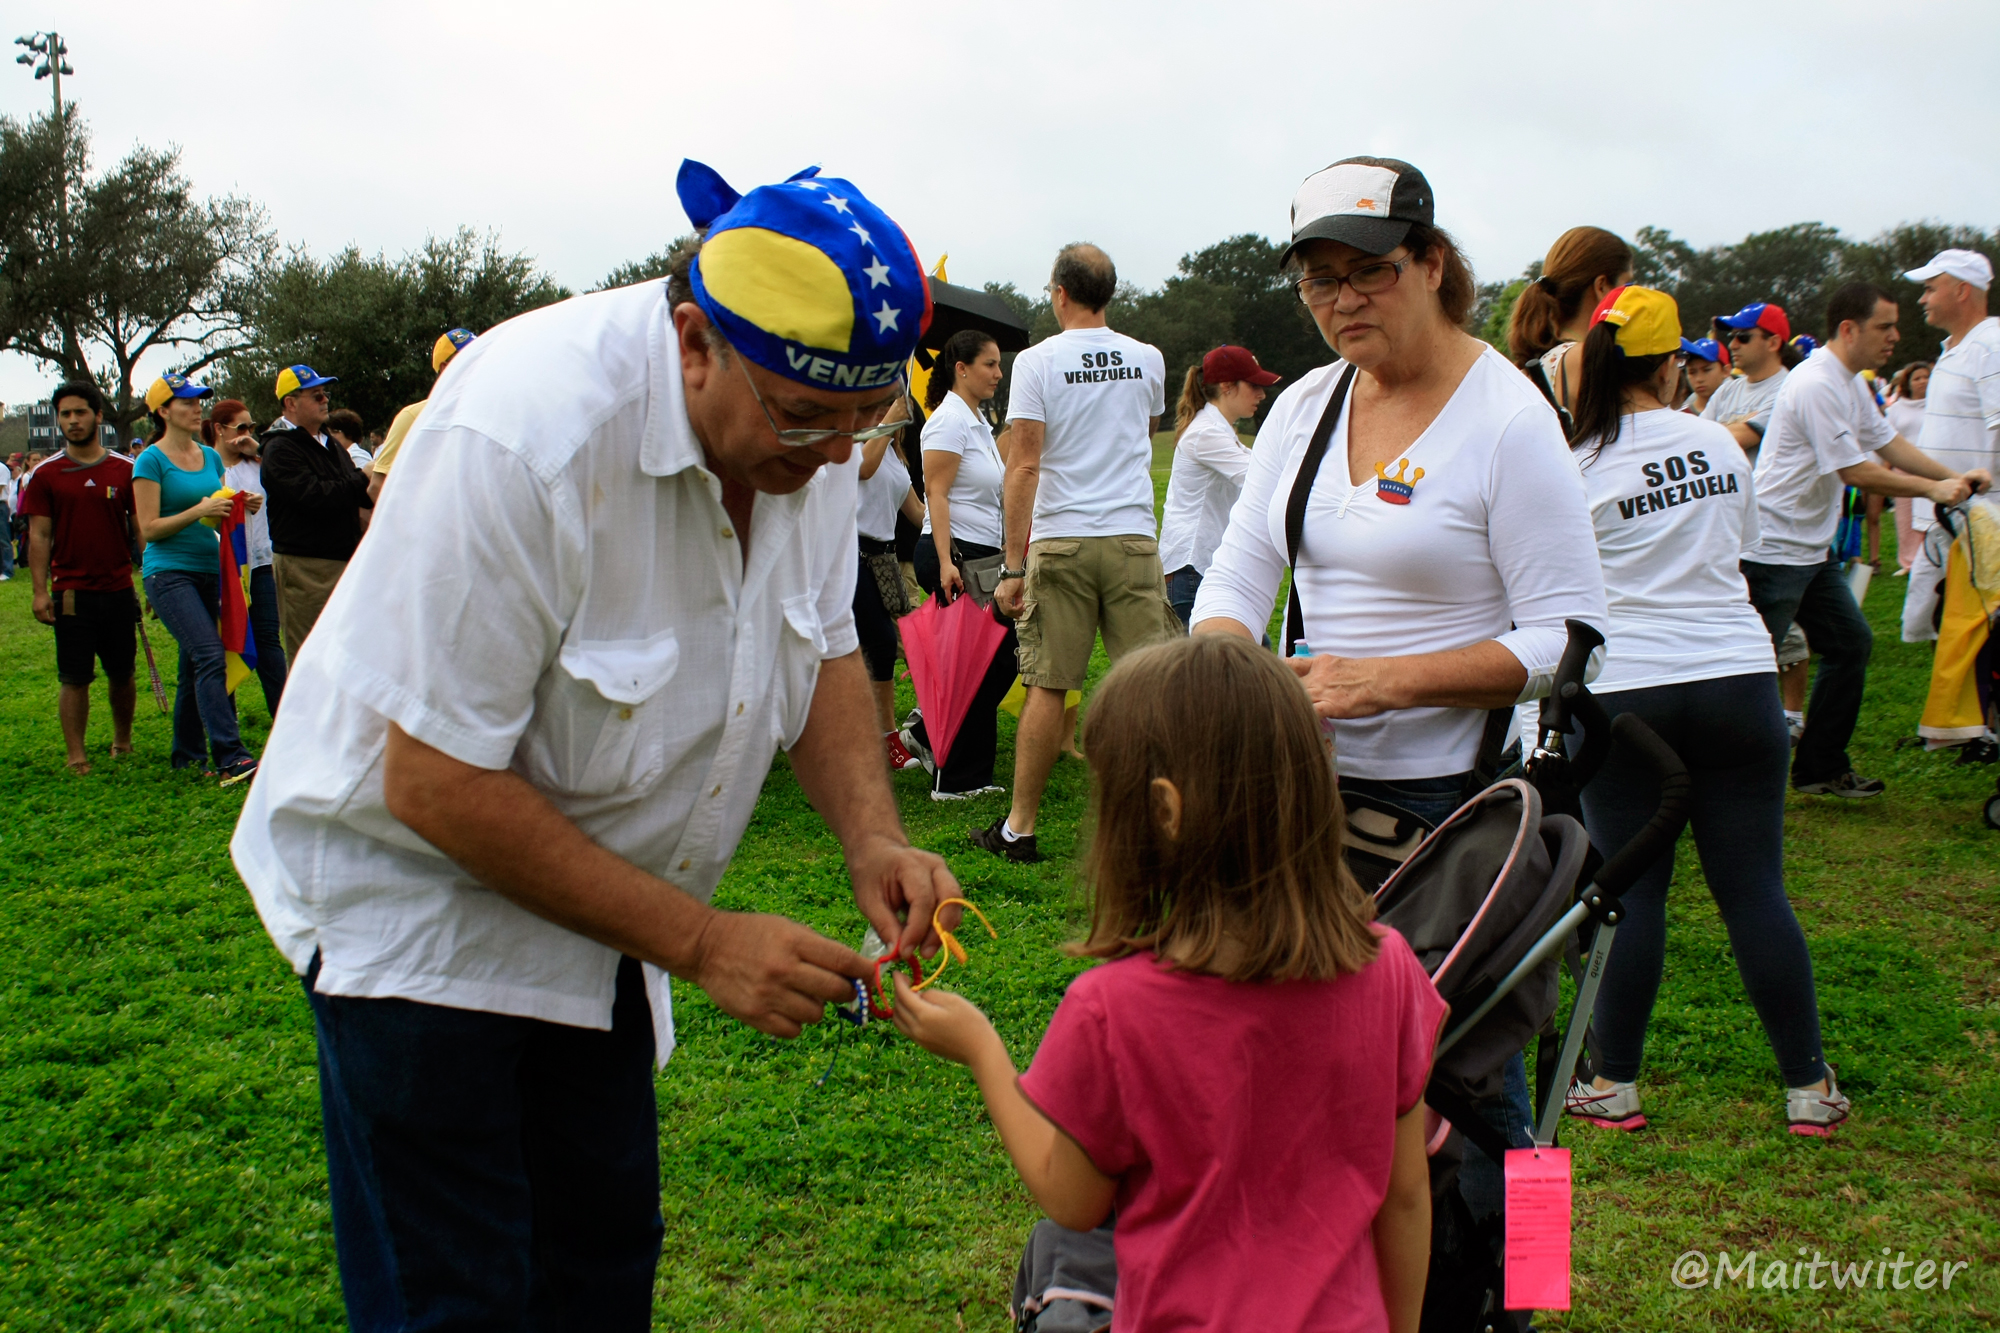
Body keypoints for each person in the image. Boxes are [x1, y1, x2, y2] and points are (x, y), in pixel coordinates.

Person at [230, 159, 959, 1331]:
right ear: (691, 340)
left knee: (601, 1268)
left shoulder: (800, 429)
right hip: (416, 919)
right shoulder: (527, 431)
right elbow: (428, 780)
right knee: (460, 1297)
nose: (830, 457)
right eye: (803, 420)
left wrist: (871, 833)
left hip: (599, 928)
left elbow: (821, 641)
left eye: (859, 424)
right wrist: (706, 942)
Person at [1193, 158, 1607, 1226]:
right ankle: (1333, 1268)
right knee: (1299, 1055)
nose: (1339, 300)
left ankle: (1521, 1294)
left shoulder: (1505, 419)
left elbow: (1567, 638)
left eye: (1364, 272)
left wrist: (1384, 682)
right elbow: (1238, 572)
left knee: (1481, 1088)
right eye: (1316, 280)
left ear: (1429, 263)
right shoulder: (1301, 407)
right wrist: (1239, 669)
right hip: (1299, 800)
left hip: (1451, 814)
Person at [892, 634, 1440, 1333]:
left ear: (1164, 809)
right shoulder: (1387, 967)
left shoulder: (1113, 1008)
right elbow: (1404, 1197)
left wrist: (980, 1049)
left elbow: (1074, 1199)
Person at [1551, 285, 1846, 1138]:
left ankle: (1614, 1081)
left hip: (1629, 690)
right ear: (1673, 361)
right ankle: (1806, 1086)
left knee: (1631, 893)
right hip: (1738, 678)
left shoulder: (1577, 462)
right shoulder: (1718, 440)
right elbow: (1741, 551)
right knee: (1755, 886)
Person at [1741, 281, 1990, 798]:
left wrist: (1953, 480)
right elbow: (1855, 471)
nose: (1896, 336)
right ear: (1849, 329)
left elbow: (1887, 443)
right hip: (1771, 552)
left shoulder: (1850, 381)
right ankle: (1717, 778)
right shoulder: (1815, 384)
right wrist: (1936, 487)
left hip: (1808, 551)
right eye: (1885, 326)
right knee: (1741, 669)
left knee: (1850, 645)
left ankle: (1818, 767)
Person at [977, 244, 1177, 862]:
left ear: (1059, 293)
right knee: (1148, 686)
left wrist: (1012, 567)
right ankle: (1160, 825)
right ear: (1108, 294)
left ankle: (1020, 828)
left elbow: (1024, 463)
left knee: (1046, 686)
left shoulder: (1037, 362)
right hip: (1131, 539)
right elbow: (1142, 437)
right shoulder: (1148, 358)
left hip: (1062, 539)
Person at [900, 329, 1018, 801]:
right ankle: (954, 778)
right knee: (983, 662)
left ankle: (933, 738)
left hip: (980, 554)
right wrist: (948, 561)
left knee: (989, 661)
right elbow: (938, 494)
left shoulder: (976, 420)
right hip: (956, 554)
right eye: (989, 364)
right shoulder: (948, 421)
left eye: (998, 364)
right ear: (961, 369)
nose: (998, 372)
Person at [132, 374, 260, 785]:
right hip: (168, 572)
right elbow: (149, 528)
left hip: (210, 570)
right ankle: (230, 756)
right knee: (208, 655)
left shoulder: (208, 456)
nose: (196, 407)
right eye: (186, 402)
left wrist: (239, 503)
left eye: (198, 400)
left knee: (193, 666)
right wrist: (200, 509)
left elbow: (211, 512)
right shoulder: (149, 460)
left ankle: (187, 756)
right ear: (163, 410)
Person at [18, 383, 139, 774]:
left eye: (80, 412)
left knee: (122, 673)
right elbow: (38, 535)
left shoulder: (126, 470)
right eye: (65, 414)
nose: (73, 420)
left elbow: (140, 528)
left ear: (98, 416)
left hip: (119, 587)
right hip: (71, 592)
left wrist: (149, 577)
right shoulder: (46, 474)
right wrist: (40, 592)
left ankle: (122, 741)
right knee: (74, 677)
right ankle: (77, 756)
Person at [1900, 250, 1999, 646]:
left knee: (1981, 643)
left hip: (1983, 525)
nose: (1922, 299)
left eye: (1929, 289)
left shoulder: (1990, 346)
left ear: (1961, 290)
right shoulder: (1957, 348)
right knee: (1939, 635)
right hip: (1950, 522)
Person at [1158, 345, 1278, 627]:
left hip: (1199, 568)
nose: (1261, 394)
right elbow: (1260, 477)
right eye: (1254, 385)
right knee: (1213, 667)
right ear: (1227, 386)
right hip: (1193, 568)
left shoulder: (1220, 432)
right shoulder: (1205, 434)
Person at [261, 365, 372, 659]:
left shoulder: (329, 443)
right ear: (290, 403)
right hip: (306, 566)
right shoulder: (279, 449)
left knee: (346, 653)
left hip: (341, 559)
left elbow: (353, 493)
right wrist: (364, 477)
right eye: (316, 395)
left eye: (325, 394)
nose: (325, 401)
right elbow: (315, 496)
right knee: (310, 657)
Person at [853, 393, 924, 769]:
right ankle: (883, 738)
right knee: (879, 644)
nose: (890, 410)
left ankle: (873, 736)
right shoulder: (856, 441)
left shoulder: (895, 454)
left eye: (893, 404)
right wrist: (887, 422)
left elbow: (915, 510)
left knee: (875, 647)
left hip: (882, 557)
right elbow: (863, 469)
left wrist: (952, 525)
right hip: (849, 552)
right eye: (879, 404)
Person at [207, 399, 288, 716]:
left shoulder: (258, 463)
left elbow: (282, 470)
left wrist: (258, 446)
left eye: (252, 427)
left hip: (262, 564)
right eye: (241, 427)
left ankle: (283, 719)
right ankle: (227, 726)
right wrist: (234, 502)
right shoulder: (206, 464)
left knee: (269, 641)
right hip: (222, 568)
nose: (246, 434)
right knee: (222, 644)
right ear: (219, 429)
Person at [1506, 225, 1634, 424]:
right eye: (1626, 285)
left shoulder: (1538, 365)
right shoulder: (1592, 359)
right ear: (1601, 286)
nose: (1631, 297)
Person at [369, 328, 477, 500]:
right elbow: (377, 486)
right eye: (470, 358)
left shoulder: (484, 414)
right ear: (446, 368)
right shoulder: (414, 416)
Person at [1704, 302, 1793, 455]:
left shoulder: (1789, 389)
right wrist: (1742, 423)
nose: (1732, 345)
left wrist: (1717, 429)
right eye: (1731, 337)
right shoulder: (1727, 389)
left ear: (1773, 343)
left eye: (1743, 337)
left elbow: (1738, 438)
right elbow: (1694, 438)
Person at [1882, 360, 1931, 574]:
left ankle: (1927, 558)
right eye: (1917, 378)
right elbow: (1888, 438)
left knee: (1928, 514)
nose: (1922, 381)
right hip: (1902, 467)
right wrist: (1886, 469)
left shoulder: (1936, 404)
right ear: (1908, 383)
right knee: (1905, 516)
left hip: (1929, 466)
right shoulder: (1897, 408)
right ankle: (1908, 562)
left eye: (1926, 376)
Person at [1681, 336, 1730, 416]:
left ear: (1726, 371)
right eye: (1692, 372)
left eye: (1706, 370)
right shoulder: (1682, 415)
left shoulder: (1741, 407)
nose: (1699, 379)